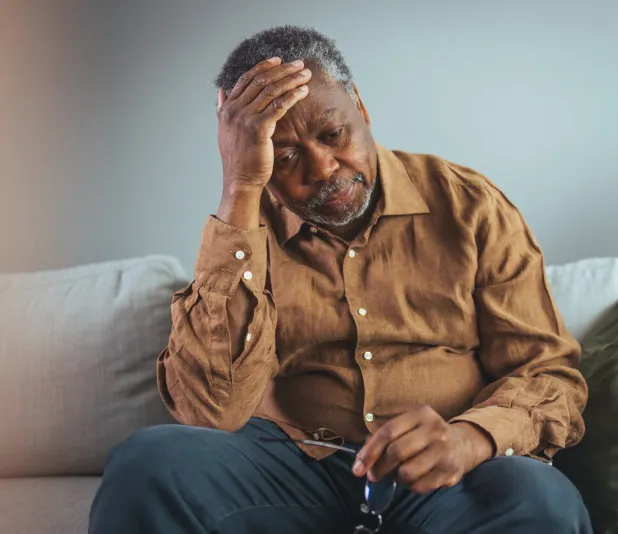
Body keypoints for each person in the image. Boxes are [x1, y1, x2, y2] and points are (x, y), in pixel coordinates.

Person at [88, 25, 592, 534]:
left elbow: (549, 377)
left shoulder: (470, 206)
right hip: (290, 468)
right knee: (148, 463)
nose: (325, 167)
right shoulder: (243, 230)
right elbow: (210, 412)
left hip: (447, 472)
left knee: (542, 499)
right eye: (285, 157)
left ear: (361, 109)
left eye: (333, 135)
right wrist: (240, 187)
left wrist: (469, 439)